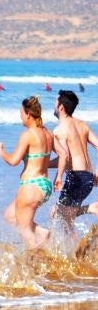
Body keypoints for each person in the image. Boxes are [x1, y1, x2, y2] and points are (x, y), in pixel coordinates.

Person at [0, 97, 54, 248]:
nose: (20, 116)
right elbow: (62, 154)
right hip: (45, 185)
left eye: (21, 113)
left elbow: (13, 161)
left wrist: (0, 150)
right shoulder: (48, 134)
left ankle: (34, 263)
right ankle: (42, 232)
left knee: (24, 229)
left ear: (28, 114)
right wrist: (59, 175)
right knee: (9, 216)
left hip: (30, 186)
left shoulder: (28, 135)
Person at [51, 90, 97, 233]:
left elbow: (64, 156)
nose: (53, 104)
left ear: (61, 107)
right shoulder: (83, 125)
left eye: (55, 101)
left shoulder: (59, 130)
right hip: (88, 177)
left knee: (58, 213)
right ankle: (73, 250)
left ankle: (90, 208)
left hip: (76, 177)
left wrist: (56, 174)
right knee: (65, 215)